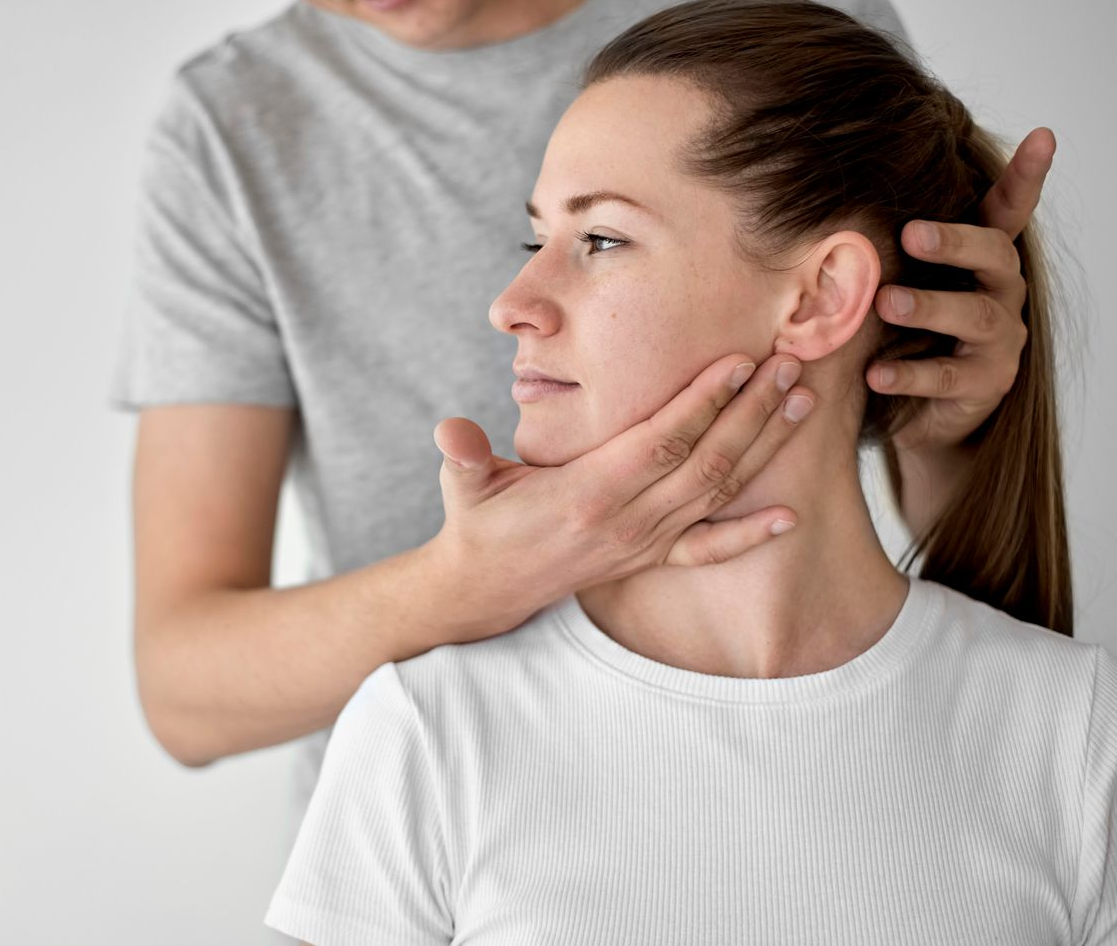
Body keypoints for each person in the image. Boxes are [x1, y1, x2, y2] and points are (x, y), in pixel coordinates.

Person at [263, 2, 1103, 942]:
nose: (512, 304)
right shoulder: (429, 732)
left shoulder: (1080, 738)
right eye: (534, 240)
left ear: (822, 295)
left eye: (603, 240)